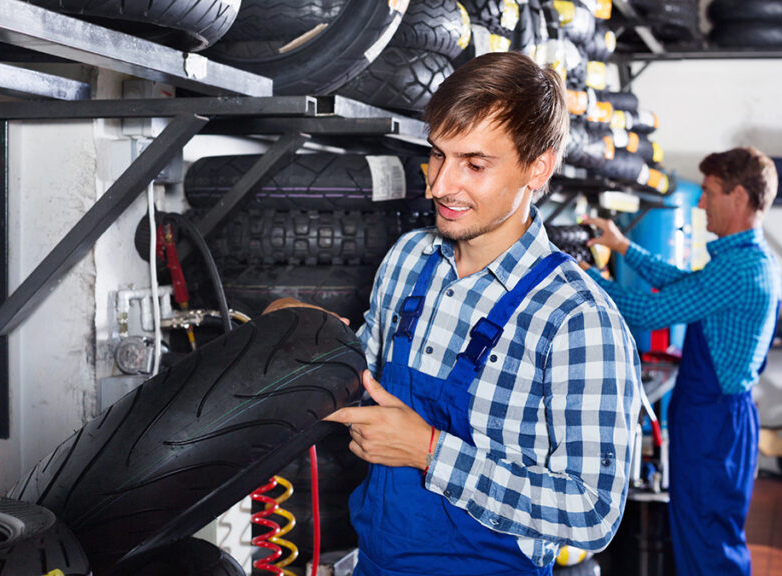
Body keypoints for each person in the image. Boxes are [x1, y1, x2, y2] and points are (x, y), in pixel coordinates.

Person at [266, 52, 641, 575]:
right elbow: (367, 377)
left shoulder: (577, 320)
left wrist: (429, 451)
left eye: (474, 164)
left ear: (538, 167)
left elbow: (593, 513)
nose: (439, 185)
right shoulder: (410, 259)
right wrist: (307, 335)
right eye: (437, 155)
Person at [581, 147, 782, 576]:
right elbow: (686, 285)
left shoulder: (742, 269)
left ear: (740, 197)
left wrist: (584, 278)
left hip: (715, 424)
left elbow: (648, 312)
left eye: (709, 193)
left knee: (709, 543)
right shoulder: (742, 260)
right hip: (714, 420)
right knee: (701, 536)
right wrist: (623, 248)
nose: (701, 204)